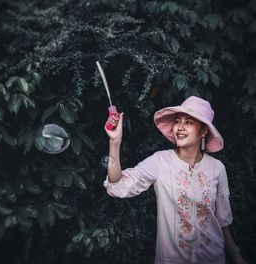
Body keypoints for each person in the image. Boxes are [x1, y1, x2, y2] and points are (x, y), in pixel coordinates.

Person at [103, 96, 248, 264]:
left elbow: (222, 221)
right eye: (178, 121)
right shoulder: (160, 161)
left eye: (189, 122)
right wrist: (115, 141)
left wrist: (237, 256)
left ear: (203, 131)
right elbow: (118, 185)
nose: (180, 127)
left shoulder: (217, 168)